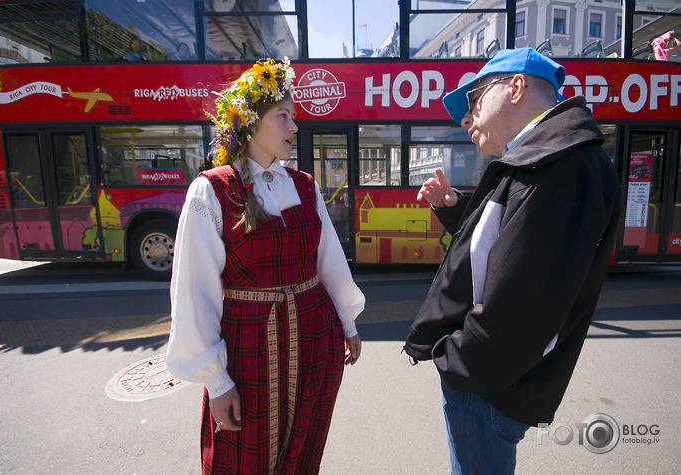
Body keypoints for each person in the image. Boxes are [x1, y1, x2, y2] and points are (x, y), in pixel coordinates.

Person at [404, 48, 622, 474]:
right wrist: (454, 208)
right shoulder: (545, 157)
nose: (466, 119)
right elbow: (505, 244)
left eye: (474, 101)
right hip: (490, 379)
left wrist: (457, 359)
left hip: (487, 385)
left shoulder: (561, 165)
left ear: (516, 87)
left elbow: (524, 303)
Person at [166, 57, 365, 474]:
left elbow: (329, 261)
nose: (294, 127)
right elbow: (195, 292)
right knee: (245, 458)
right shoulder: (212, 191)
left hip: (316, 341)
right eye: (283, 116)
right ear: (251, 122)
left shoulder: (304, 185)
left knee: (305, 447)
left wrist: (348, 323)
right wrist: (217, 383)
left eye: (293, 117)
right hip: (251, 350)